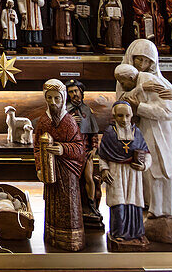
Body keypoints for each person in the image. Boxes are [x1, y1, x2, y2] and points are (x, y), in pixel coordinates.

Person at [116, 40, 172, 241]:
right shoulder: (132, 81)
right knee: (146, 172)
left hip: (162, 134)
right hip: (142, 134)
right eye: (138, 59)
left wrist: (142, 106)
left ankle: (164, 210)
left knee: (162, 169)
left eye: (146, 61)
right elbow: (122, 105)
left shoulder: (156, 82)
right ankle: (148, 206)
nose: (141, 64)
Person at [34, 79, 86, 251]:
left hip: (67, 172)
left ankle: (71, 239)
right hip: (50, 171)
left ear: (63, 98)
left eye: (57, 98)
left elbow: (80, 148)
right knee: (52, 203)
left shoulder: (69, 121)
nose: (53, 102)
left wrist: (62, 148)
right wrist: (40, 168)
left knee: (69, 204)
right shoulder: (43, 121)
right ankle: (52, 236)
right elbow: (36, 147)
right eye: (49, 98)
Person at [97, 101, 151, 249]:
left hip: (133, 174)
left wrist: (143, 165)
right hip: (116, 173)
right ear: (114, 116)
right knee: (118, 205)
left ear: (132, 115)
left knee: (134, 204)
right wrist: (104, 169)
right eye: (120, 116)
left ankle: (136, 234)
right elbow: (102, 156)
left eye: (127, 115)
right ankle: (118, 234)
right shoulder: (109, 133)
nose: (124, 119)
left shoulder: (137, 133)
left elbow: (147, 154)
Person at [66, 79, 103, 230]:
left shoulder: (87, 110)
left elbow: (93, 133)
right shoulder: (65, 111)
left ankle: (92, 205)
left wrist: (94, 148)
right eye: (71, 92)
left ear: (81, 92)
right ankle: (72, 206)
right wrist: (69, 121)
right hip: (72, 152)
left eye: (76, 91)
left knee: (89, 178)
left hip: (86, 151)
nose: (74, 94)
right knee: (72, 181)